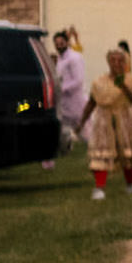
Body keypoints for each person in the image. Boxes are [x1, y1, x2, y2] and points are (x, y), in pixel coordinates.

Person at [77, 47, 132, 200]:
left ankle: (130, 184)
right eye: (113, 60)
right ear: (108, 62)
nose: (117, 63)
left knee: (127, 152)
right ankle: (99, 188)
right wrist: (82, 121)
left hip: (126, 119)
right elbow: (92, 103)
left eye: (120, 60)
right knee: (102, 153)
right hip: (104, 120)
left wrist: (123, 86)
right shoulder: (99, 82)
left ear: (126, 63)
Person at [49, 27, 87, 168]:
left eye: (61, 43)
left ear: (66, 42)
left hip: (75, 104)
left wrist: (61, 89)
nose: (59, 45)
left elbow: (78, 80)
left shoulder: (74, 58)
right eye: (56, 43)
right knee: (58, 131)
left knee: (85, 134)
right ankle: (51, 161)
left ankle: (100, 157)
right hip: (63, 104)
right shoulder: (60, 59)